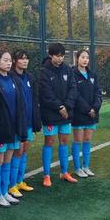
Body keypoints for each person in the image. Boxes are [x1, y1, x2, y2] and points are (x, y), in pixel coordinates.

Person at [0, 50, 27, 207]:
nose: (8, 63)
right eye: (5, 60)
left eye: (10, 60)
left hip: (13, 128)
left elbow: (20, 104)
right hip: (0, 128)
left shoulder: (13, 79)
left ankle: (5, 192)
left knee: (8, 161)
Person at [38, 43, 78, 187]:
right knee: (49, 142)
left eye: (62, 56)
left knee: (64, 141)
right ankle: (46, 175)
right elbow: (46, 94)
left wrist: (66, 106)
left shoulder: (67, 69)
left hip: (66, 113)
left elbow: (73, 88)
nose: (60, 58)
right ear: (51, 55)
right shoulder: (44, 71)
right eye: (57, 56)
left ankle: (64, 172)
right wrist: (59, 107)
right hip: (50, 114)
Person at [10, 49, 42, 195]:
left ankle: (20, 181)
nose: (25, 61)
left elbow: (34, 100)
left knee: (24, 151)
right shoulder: (11, 77)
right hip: (18, 122)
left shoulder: (29, 77)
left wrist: (36, 120)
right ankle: (11, 184)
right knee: (17, 152)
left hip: (28, 121)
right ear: (15, 61)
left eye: (26, 58)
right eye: (21, 58)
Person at [71, 49, 102, 178]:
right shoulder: (72, 74)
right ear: (77, 58)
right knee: (78, 140)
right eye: (83, 57)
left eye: (87, 58)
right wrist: (87, 109)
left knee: (87, 139)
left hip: (92, 114)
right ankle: (78, 168)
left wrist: (95, 108)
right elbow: (75, 95)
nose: (85, 60)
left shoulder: (93, 74)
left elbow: (98, 93)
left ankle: (86, 166)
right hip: (79, 113)